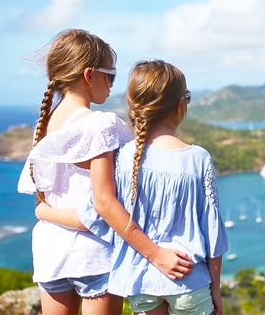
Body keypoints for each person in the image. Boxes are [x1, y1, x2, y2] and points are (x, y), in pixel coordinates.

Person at [17, 30, 192, 315]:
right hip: (93, 257)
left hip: (50, 254)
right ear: (89, 75)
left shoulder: (44, 124)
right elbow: (104, 204)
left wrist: (43, 213)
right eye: (110, 75)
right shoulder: (100, 125)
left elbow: (45, 203)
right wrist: (156, 254)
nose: (113, 85)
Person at [78, 60, 229, 315]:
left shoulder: (119, 157)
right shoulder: (198, 158)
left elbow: (96, 212)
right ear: (180, 105)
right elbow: (212, 233)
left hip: (140, 281)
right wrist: (216, 290)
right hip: (189, 280)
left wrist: (45, 213)